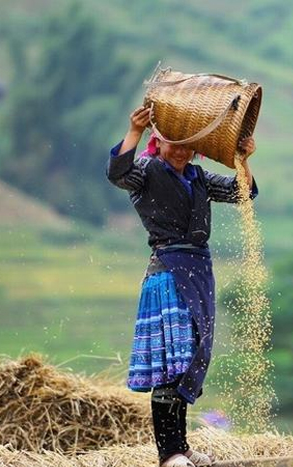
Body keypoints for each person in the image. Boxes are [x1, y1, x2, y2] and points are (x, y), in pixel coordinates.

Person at [107, 106, 258, 467]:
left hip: (200, 271)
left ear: (196, 150)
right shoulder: (145, 172)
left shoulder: (200, 178)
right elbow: (117, 173)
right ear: (157, 144)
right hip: (168, 272)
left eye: (187, 146)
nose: (179, 151)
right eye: (172, 144)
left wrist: (241, 158)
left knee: (189, 357)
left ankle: (181, 447)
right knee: (170, 361)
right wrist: (134, 130)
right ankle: (169, 453)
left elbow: (244, 194)